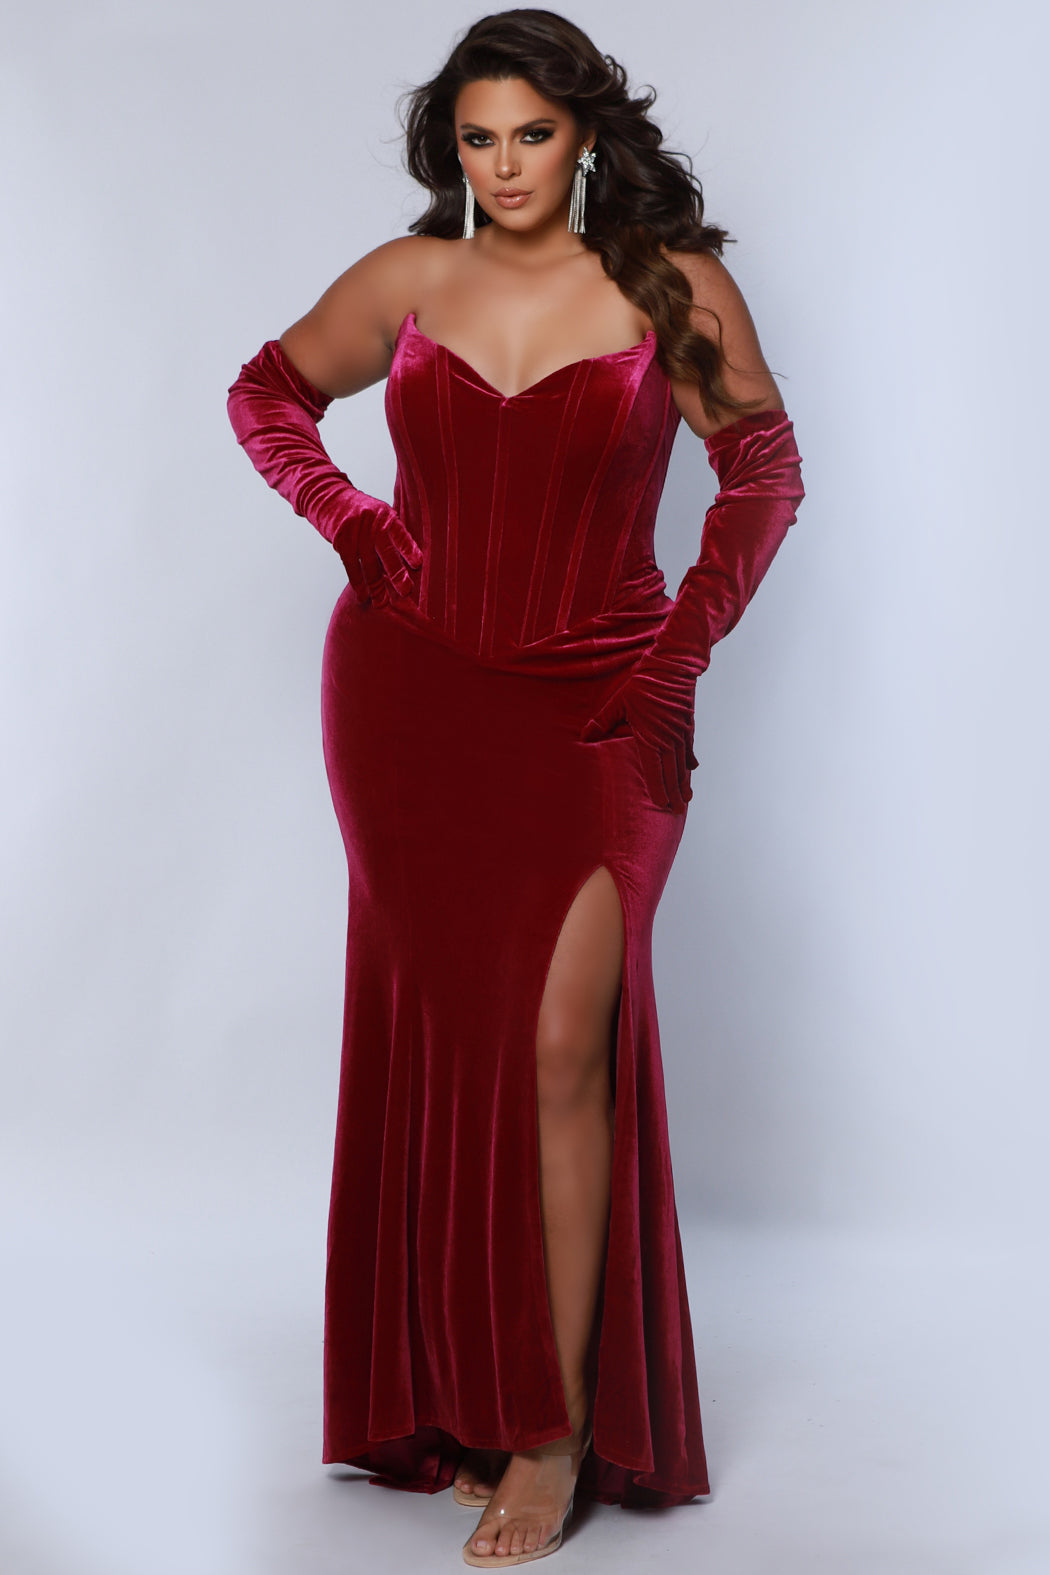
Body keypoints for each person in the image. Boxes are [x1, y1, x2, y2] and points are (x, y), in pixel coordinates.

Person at [226, 7, 804, 1565]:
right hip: (407, 699)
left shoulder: (667, 282)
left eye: (532, 135)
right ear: (452, 151)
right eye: (478, 139)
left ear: (586, 136)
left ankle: (551, 1436)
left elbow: (761, 469)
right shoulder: (410, 280)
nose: (505, 165)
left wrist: (680, 651)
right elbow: (266, 394)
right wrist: (353, 523)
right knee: (451, 1047)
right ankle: (470, 1397)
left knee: (560, 1046)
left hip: (605, 703)